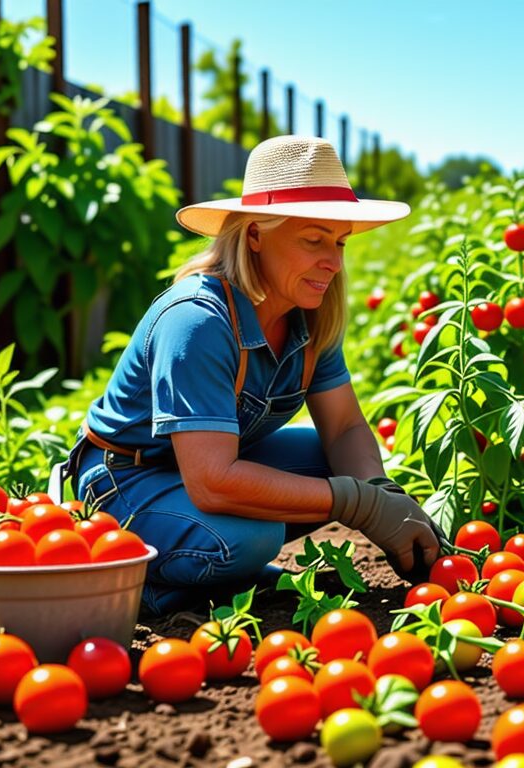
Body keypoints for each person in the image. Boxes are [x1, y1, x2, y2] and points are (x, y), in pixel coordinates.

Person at [60, 136, 443, 615]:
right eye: (313, 239)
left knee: (334, 460)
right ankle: (147, 586)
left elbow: (344, 427)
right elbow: (213, 482)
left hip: (202, 467)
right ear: (255, 235)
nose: (335, 262)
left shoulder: (311, 317)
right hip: (126, 480)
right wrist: (354, 504)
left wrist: (380, 493)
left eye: (340, 242)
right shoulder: (198, 320)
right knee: (250, 537)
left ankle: (219, 572)